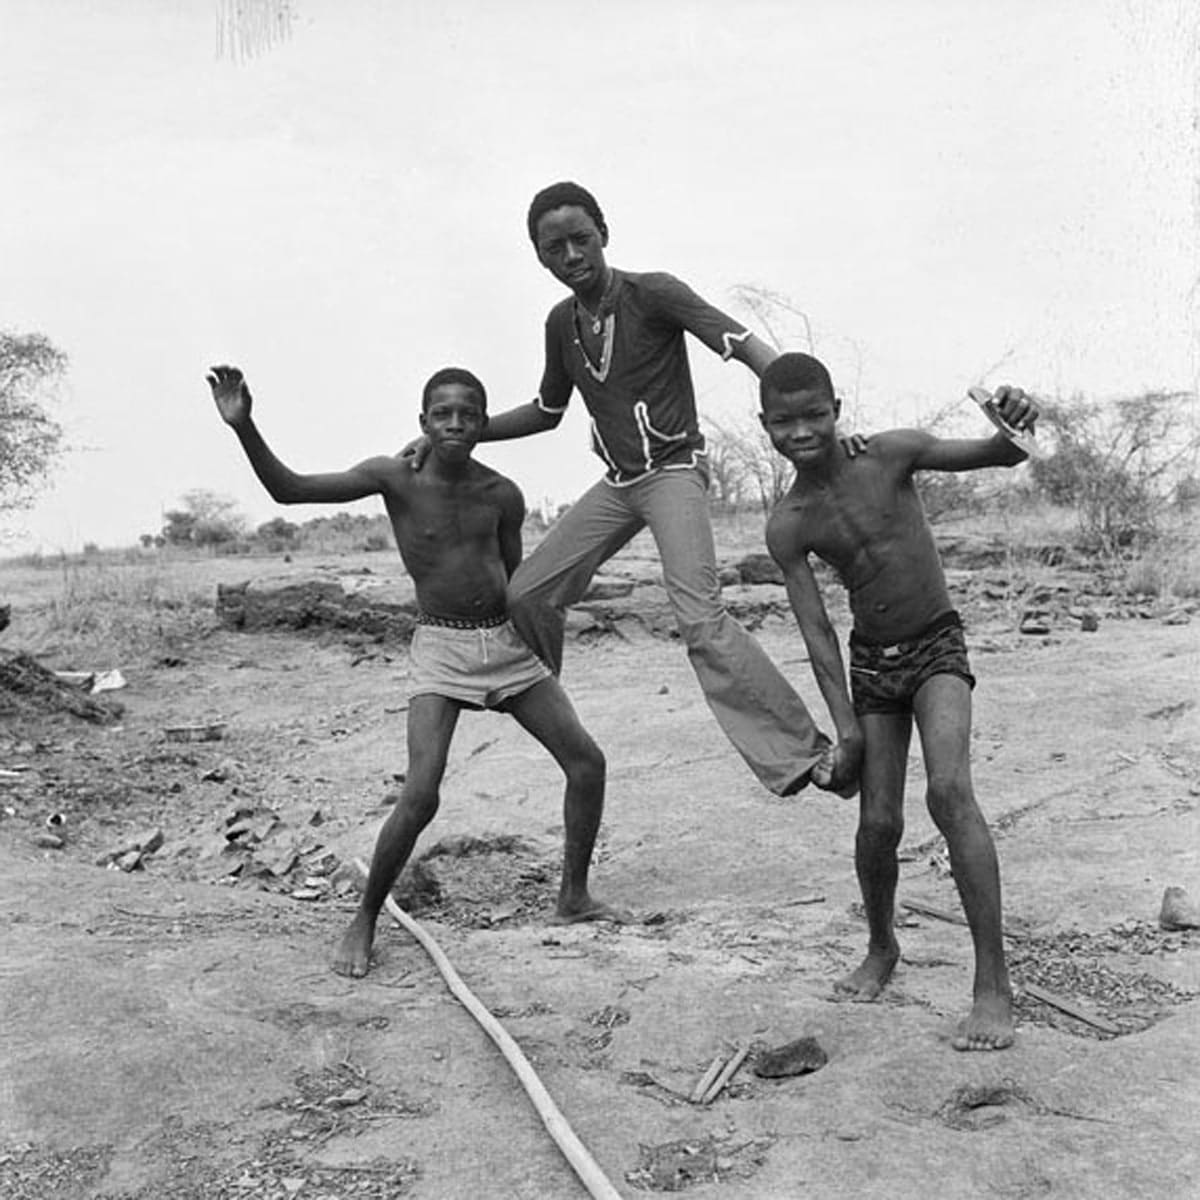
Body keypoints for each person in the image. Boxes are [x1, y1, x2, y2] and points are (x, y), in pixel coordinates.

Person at [411, 181, 856, 796]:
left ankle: (803, 755)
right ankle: (540, 700)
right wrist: (455, 436)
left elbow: (750, 351)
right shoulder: (560, 322)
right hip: (620, 484)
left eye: (581, 240)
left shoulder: (655, 293)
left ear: (604, 234)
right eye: (554, 247)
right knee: (528, 593)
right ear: (539, 256)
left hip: (673, 474)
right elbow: (546, 410)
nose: (571, 256)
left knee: (699, 618)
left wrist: (814, 431)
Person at [207, 363, 621, 979]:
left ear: (484, 423)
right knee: (421, 792)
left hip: (504, 643)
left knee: (587, 763)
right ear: (422, 421)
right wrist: (245, 426)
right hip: (441, 647)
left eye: (468, 414)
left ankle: (573, 897)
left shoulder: (502, 493)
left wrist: (542, 650)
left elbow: (518, 582)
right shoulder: (393, 478)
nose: (455, 423)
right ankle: (367, 916)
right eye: (442, 413)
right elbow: (289, 490)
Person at [760, 351, 1037, 1051]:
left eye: (814, 416)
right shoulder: (789, 521)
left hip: (936, 645)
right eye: (784, 421)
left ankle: (992, 984)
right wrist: (845, 731)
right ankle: (882, 947)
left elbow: (999, 454)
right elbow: (818, 631)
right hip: (872, 667)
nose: (801, 432)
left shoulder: (891, 454)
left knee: (949, 792)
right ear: (765, 426)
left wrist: (1014, 418)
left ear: (837, 412)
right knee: (878, 822)